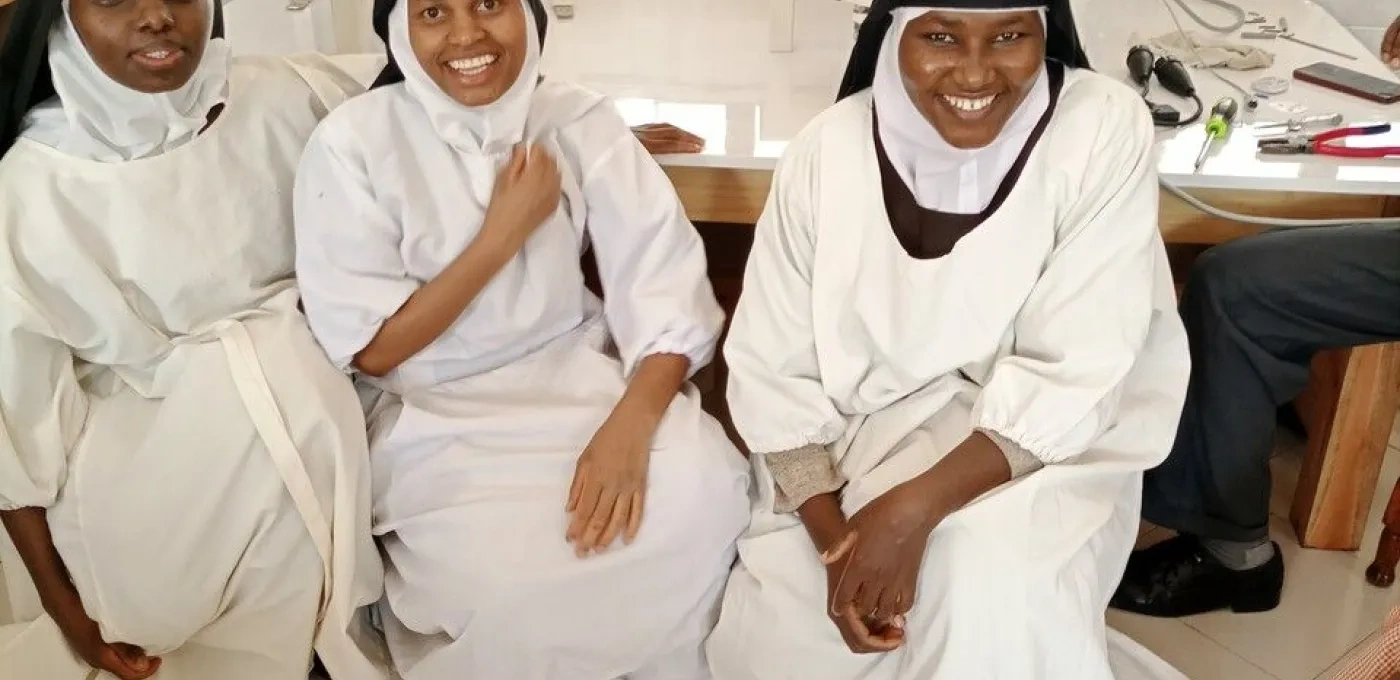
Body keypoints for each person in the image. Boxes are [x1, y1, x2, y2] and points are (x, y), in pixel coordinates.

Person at [704, 1, 1193, 678]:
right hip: (856, 435)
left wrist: (911, 512)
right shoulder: (826, 149)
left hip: (1041, 447)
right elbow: (772, 366)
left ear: (1045, 31)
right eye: (939, 36)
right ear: (893, 32)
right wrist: (837, 543)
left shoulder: (1100, 127)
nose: (974, 72)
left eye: (1009, 36)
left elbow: (1080, 368)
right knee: (783, 635)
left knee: (980, 584)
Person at [291, 1, 750, 678]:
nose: (467, 33)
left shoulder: (577, 119)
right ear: (399, 31)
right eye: (433, 12)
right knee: (515, 591)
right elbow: (374, 349)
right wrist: (503, 232)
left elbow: (666, 290)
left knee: (712, 498)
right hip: (433, 417)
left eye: (489, 3)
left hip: (582, 381)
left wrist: (628, 428)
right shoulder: (352, 142)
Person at [0, 1, 390, 679]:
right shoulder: (31, 186)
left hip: (337, 411)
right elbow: (16, 427)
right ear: (62, 15)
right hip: (154, 461)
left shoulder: (292, 95)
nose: (157, 15)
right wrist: (65, 612)